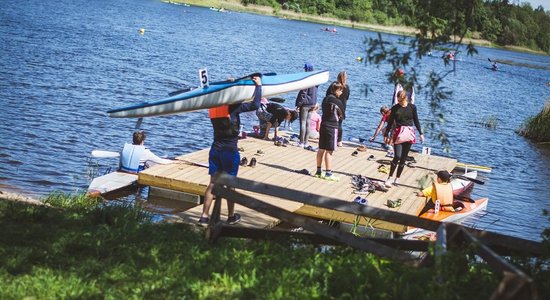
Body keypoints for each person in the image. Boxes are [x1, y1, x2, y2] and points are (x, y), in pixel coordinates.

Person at [198, 75, 262, 227]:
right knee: (230, 185)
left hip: (215, 150)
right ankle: (231, 216)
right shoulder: (233, 107)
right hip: (230, 151)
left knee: (212, 184)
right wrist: (258, 86)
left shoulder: (212, 108)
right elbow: (255, 105)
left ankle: (204, 217)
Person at [383, 90, 424, 187]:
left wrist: (421, 133)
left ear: (405, 98)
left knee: (403, 158)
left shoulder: (412, 107)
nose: (399, 102)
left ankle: (397, 178)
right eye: (398, 100)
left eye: (400, 100)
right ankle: (389, 178)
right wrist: (386, 134)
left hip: (409, 133)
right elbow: (390, 122)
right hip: (398, 134)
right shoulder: (395, 108)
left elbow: (416, 121)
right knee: (397, 156)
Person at [315, 82, 344, 181]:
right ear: (337, 90)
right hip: (332, 127)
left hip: (323, 125)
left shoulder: (325, 99)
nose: (341, 92)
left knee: (321, 149)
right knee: (329, 151)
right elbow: (342, 116)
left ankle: (318, 171)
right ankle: (328, 173)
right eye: (341, 90)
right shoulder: (337, 101)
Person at [295, 62, 318, 149]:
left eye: (305, 68)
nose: (304, 70)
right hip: (312, 104)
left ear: (307, 69)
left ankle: (301, 142)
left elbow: (303, 94)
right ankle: (306, 142)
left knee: (303, 122)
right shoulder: (316, 79)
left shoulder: (307, 79)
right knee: (308, 122)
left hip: (305, 104)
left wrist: (298, 104)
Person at [325, 71, 350, 147]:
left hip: (333, 106)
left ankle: (331, 138)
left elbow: (327, 94)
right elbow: (347, 97)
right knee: (339, 124)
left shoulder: (334, 85)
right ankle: (339, 140)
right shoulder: (347, 87)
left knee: (331, 122)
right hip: (342, 107)